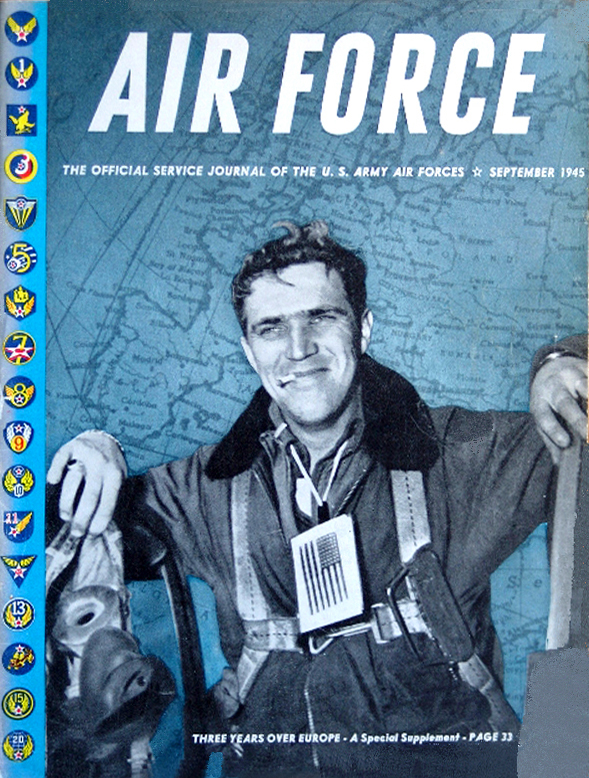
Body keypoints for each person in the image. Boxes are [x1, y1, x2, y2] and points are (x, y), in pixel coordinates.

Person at [47, 220, 587, 778]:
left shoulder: (458, 456)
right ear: (249, 351)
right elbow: (54, 538)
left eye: (321, 317)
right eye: (271, 328)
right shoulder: (207, 488)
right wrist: (95, 451)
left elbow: (578, 420)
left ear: (363, 329)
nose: (298, 349)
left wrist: (564, 361)